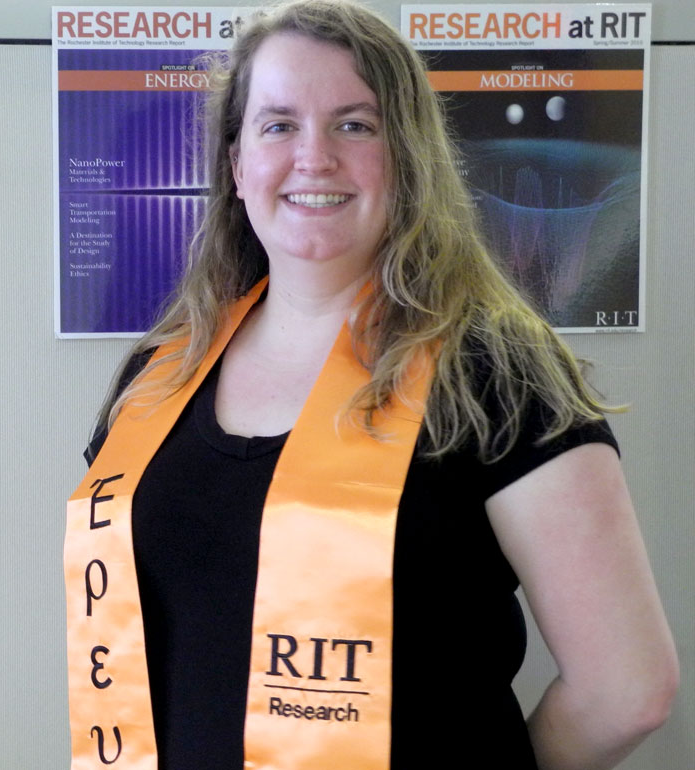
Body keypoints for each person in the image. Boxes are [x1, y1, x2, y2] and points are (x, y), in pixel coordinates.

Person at [63, 2, 678, 769]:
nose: (313, 156)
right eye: (279, 125)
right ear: (237, 163)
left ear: (409, 155)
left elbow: (627, 689)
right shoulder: (163, 373)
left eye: (355, 125)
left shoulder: (498, 372)